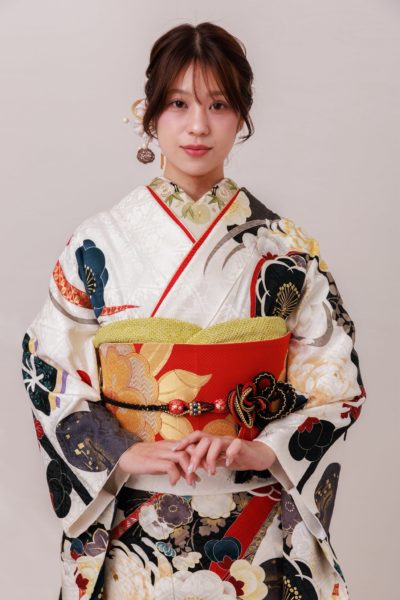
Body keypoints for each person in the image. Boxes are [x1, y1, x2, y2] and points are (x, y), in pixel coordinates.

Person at [21, 21, 366, 600]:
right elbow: (48, 370)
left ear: (242, 116)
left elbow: (336, 384)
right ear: (150, 113)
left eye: (219, 104)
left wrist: (262, 448)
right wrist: (124, 450)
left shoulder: (285, 249)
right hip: (133, 530)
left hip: (256, 527)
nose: (198, 125)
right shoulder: (99, 243)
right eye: (179, 103)